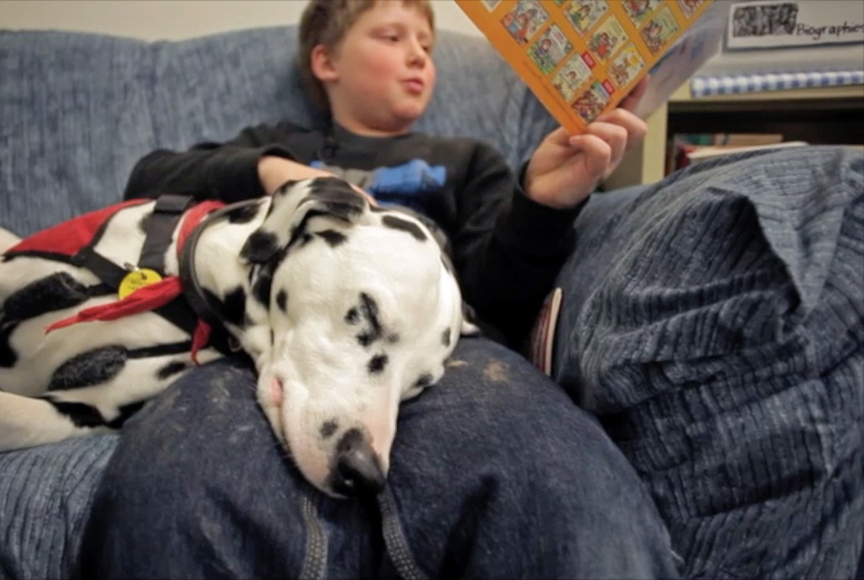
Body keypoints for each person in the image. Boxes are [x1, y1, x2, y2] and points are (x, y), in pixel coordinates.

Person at [78, 1, 677, 577]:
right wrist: (269, 170)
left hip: (446, 361)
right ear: (326, 62)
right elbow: (149, 179)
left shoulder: (465, 160)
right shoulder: (284, 145)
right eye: (393, 37)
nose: (419, 56)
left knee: (561, 475)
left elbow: (495, 301)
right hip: (260, 340)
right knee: (173, 473)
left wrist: (542, 205)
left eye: (427, 45)